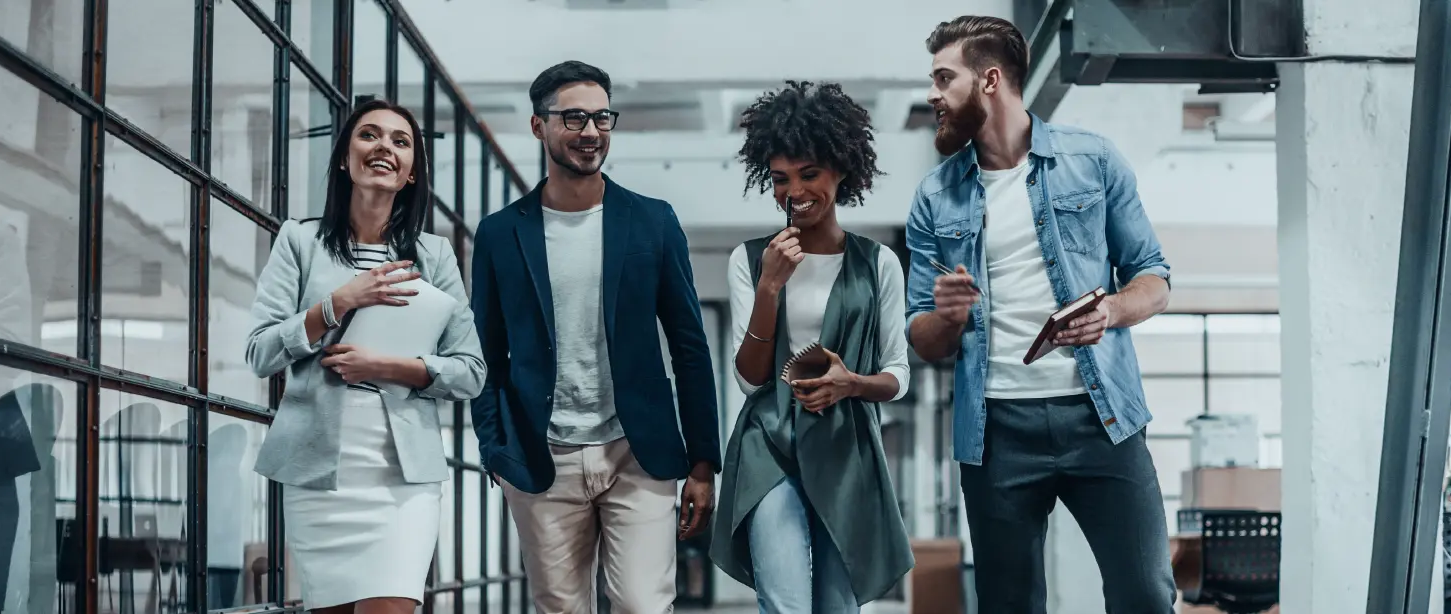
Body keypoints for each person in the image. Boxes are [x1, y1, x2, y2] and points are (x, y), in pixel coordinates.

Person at [904, 16, 1176, 613]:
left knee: (1145, 594)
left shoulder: (1094, 161)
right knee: (1008, 604)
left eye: (944, 78)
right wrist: (946, 316)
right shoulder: (934, 196)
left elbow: (1154, 280)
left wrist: (1110, 310)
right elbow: (921, 337)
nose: (933, 94)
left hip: (1103, 420)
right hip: (997, 431)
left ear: (990, 80)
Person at [468, 60, 719, 613]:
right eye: (574, 118)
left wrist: (703, 461)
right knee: (561, 608)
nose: (590, 132)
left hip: (638, 451)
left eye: (602, 118)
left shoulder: (652, 221)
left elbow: (689, 345)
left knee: (641, 604)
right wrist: (495, 447)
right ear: (539, 127)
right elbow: (483, 353)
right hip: (542, 454)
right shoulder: (500, 234)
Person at [245, 98, 486, 614]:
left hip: (401, 478)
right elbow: (261, 352)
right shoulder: (300, 242)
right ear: (343, 158)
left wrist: (382, 367)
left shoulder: (435, 255)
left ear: (412, 170)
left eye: (401, 142)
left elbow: (471, 373)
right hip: (319, 475)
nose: (384, 148)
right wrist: (338, 303)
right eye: (369, 135)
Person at [710, 81, 914, 613]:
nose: (793, 191)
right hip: (768, 444)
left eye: (808, 175)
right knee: (784, 603)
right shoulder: (751, 259)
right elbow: (750, 379)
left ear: (842, 171)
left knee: (837, 606)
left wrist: (852, 384)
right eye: (780, 179)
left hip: (846, 450)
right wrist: (769, 287)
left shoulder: (878, 264)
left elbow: (898, 373)